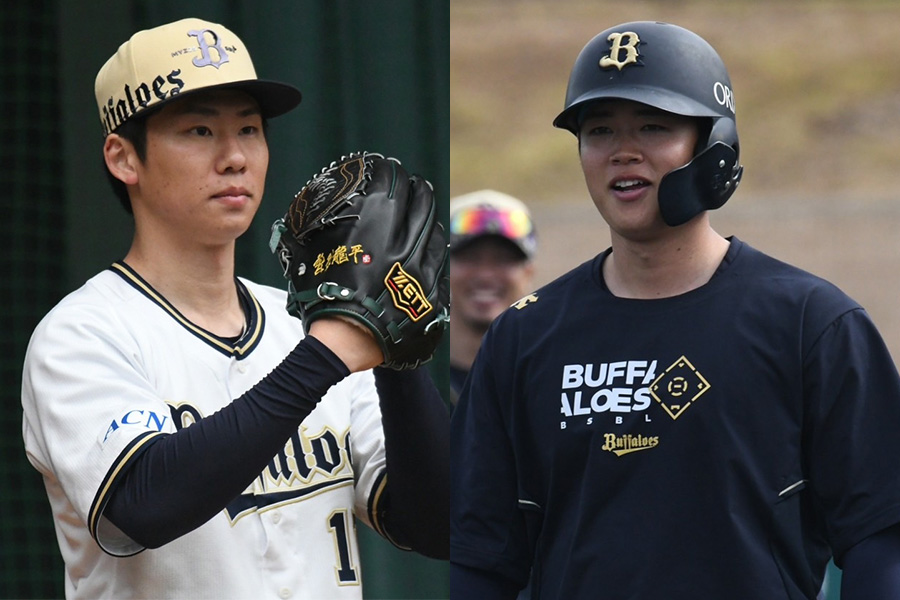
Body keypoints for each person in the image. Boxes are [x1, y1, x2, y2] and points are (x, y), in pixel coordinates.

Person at [450, 20, 900, 600]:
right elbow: (478, 559)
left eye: (654, 126)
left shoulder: (811, 323)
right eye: (600, 129)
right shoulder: (525, 335)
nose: (623, 151)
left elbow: (879, 542)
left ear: (715, 147)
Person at [21, 18, 448, 599]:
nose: (234, 157)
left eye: (249, 129)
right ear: (124, 158)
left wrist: (399, 347)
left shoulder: (306, 324)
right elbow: (146, 502)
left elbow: (437, 522)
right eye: (199, 131)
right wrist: (326, 354)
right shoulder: (82, 335)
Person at [449, 190, 537, 406]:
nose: (485, 275)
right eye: (470, 258)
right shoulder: (412, 375)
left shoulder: (548, 376)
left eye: (503, 260)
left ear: (528, 273)